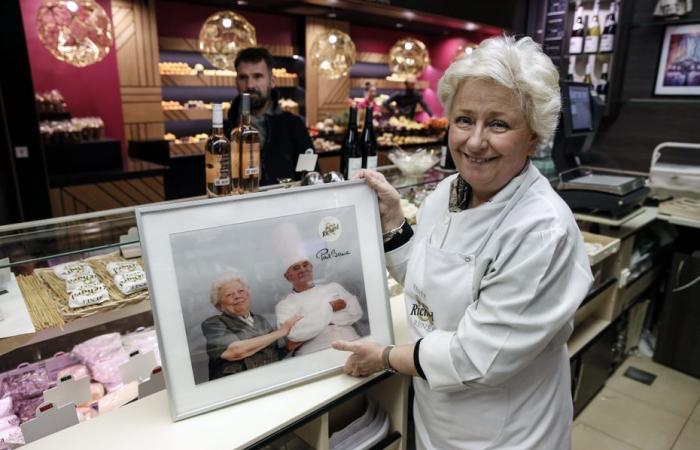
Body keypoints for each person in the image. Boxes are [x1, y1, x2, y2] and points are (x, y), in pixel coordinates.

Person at [333, 35, 594, 450]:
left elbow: (476, 357)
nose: (474, 141)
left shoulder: (541, 229)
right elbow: (428, 287)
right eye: (464, 119)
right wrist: (393, 221)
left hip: (509, 433)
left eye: (498, 123)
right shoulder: (449, 191)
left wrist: (383, 356)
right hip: (441, 419)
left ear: (533, 137)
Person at [226, 47, 314, 185]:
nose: (250, 85)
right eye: (243, 77)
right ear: (236, 82)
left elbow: (310, 176)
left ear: (272, 81)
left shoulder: (293, 126)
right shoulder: (225, 131)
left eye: (257, 76)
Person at [201, 274, 301, 380]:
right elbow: (235, 352)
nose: (237, 296)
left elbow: (271, 356)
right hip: (237, 388)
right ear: (219, 305)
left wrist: (288, 348)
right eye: (229, 295)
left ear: (248, 295)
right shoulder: (213, 323)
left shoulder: (260, 320)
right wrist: (281, 332)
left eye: (241, 291)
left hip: (267, 381)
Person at [275, 253, 364, 356]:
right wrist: (330, 308)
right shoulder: (284, 305)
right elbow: (295, 334)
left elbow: (357, 313)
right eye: (296, 268)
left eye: (305, 265)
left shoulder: (334, 287)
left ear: (311, 268)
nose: (303, 269)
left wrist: (311, 321)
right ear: (287, 277)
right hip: (315, 352)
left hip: (352, 340)